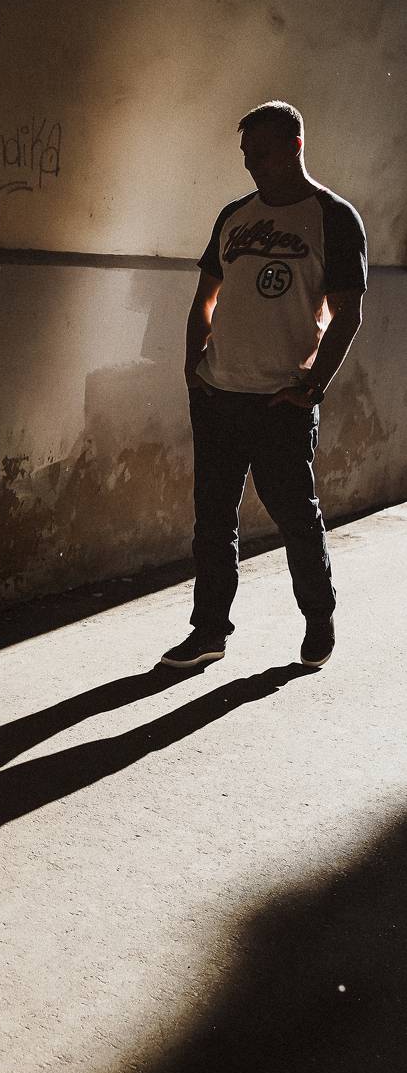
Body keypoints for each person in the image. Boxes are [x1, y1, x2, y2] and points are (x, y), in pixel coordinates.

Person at [162, 100, 367, 670]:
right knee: (212, 524)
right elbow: (205, 298)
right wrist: (194, 369)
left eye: (263, 152)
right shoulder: (234, 215)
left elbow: (347, 314)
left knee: (296, 519)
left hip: (281, 401)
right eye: (247, 154)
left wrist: (312, 388)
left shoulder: (333, 217)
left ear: (296, 146)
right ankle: (209, 632)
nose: (252, 163)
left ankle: (319, 620)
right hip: (219, 395)